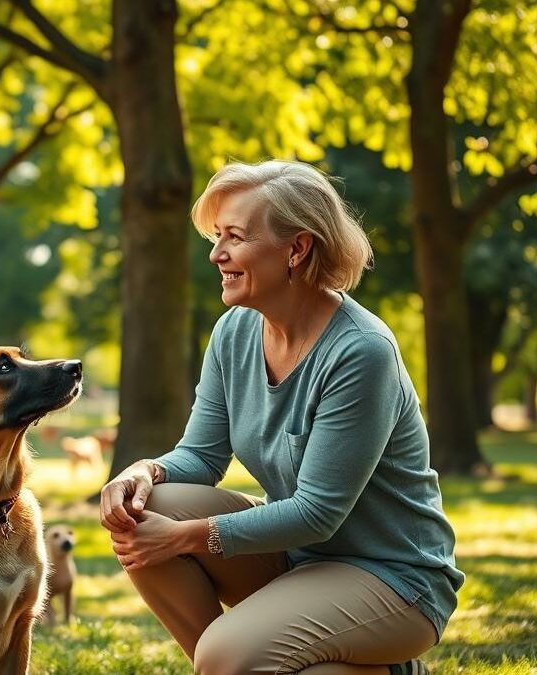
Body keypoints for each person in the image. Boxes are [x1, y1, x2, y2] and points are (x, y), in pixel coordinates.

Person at [100, 160, 464, 675]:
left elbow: (317, 513)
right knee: (149, 508)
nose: (216, 253)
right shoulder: (235, 332)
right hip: (298, 559)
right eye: (216, 235)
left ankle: (274, 661)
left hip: (394, 578)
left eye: (235, 236)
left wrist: (185, 536)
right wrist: (143, 471)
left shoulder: (361, 352)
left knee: (228, 653)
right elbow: (200, 457)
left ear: (297, 248)